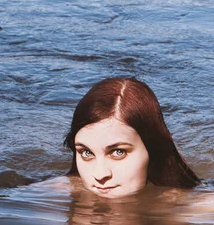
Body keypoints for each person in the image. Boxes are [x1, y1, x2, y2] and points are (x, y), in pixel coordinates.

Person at [64, 77, 200, 199]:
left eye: (118, 152)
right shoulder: (54, 192)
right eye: (86, 153)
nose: (100, 175)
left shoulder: (202, 209)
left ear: (153, 150)